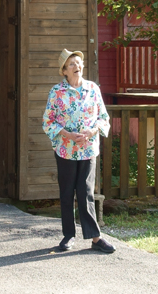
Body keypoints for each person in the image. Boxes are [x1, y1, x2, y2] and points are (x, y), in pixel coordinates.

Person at [42, 48, 115, 253]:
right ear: (64, 71)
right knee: (67, 192)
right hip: (65, 149)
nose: (77, 66)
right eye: (71, 64)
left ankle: (95, 238)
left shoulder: (93, 89)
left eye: (78, 63)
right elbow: (47, 122)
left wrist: (92, 131)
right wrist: (67, 134)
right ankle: (68, 235)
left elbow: (103, 118)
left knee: (86, 192)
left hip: (88, 149)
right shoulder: (57, 92)